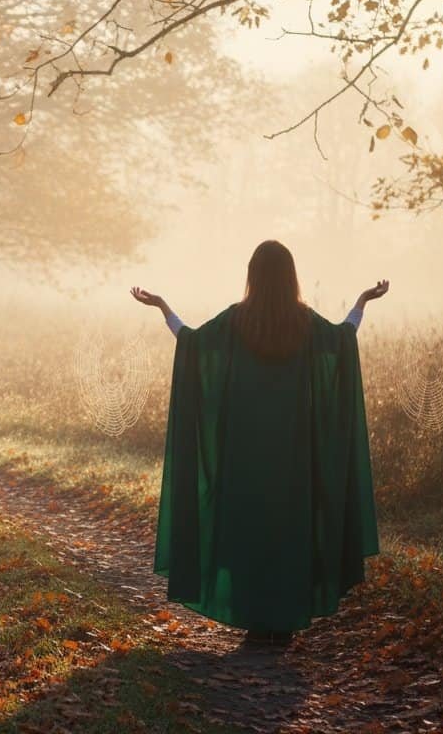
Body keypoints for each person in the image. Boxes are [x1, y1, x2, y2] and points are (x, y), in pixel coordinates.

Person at [131, 240, 389, 643]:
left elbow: (191, 342)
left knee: (248, 529)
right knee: (288, 531)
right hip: (293, 455)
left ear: (253, 276)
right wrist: (362, 302)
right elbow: (344, 336)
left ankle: (255, 619)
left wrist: (164, 307)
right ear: (290, 277)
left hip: (244, 452)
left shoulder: (236, 320)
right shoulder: (304, 323)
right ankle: (283, 621)